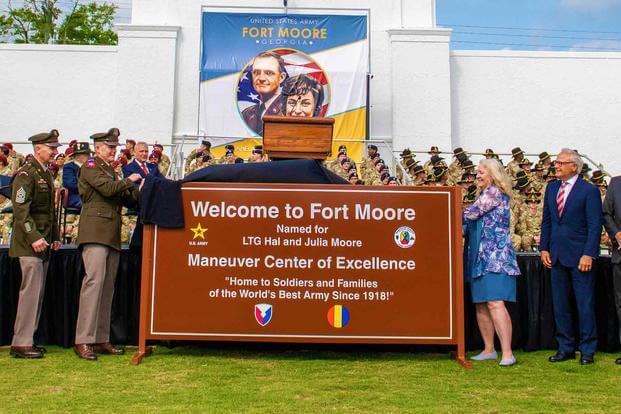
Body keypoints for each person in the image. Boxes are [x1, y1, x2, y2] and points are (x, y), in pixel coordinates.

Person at [74, 128, 141, 360]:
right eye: (110, 147)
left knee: (106, 287)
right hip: (95, 232)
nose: (114, 151)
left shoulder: (111, 171)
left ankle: (101, 338)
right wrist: (128, 180)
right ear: (98, 148)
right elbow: (108, 189)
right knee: (93, 285)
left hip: (111, 234)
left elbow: (125, 196)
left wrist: (140, 187)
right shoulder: (91, 167)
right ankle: (83, 339)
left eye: (115, 147)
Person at [540, 149, 602, 365]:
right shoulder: (552, 188)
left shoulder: (589, 190)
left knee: (584, 305)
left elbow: (595, 225)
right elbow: (547, 220)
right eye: (556, 162)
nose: (556, 165)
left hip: (579, 257)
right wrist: (544, 248)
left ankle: (587, 350)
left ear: (574, 166)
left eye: (560, 162)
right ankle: (565, 347)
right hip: (556, 255)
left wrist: (588, 254)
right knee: (560, 305)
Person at [9, 130, 62, 358]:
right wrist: (35, 237)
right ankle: (21, 343)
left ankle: (28, 338)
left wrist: (55, 236)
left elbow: (50, 212)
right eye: (51, 147)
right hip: (29, 243)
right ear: (38, 148)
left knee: (37, 292)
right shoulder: (26, 174)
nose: (55, 151)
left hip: (44, 241)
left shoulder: (46, 173)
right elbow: (21, 211)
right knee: (30, 292)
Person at [463, 158, 520, 366]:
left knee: (496, 303)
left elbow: (470, 214)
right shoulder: (483, 194)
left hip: (495, 257)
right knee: (481, 304)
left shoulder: (494, 193)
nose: (477, 175)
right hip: (478, 258)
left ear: (492, 174)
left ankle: (507, 352)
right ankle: (489, 349)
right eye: (477, 172)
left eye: (481, 172)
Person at [242, 51, 287, 135]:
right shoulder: (246, 114)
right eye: (257, 72)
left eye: (269, 73)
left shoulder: (289, 111)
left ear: (281, 77)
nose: (261, 78)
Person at [603, 174, 621, 365]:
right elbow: (606, 213)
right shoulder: (615, 183)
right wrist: (616, 233)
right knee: (620, 303)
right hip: (620, 255)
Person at [62, 142, 91, 210]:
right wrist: (90, 189)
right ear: (77, 156)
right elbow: (71, 184)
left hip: (90, 196)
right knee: (96, 204)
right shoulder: (69, 167)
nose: (89, 156)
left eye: (88, 154)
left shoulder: (91, 167)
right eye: (85, 154)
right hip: (76, 197)